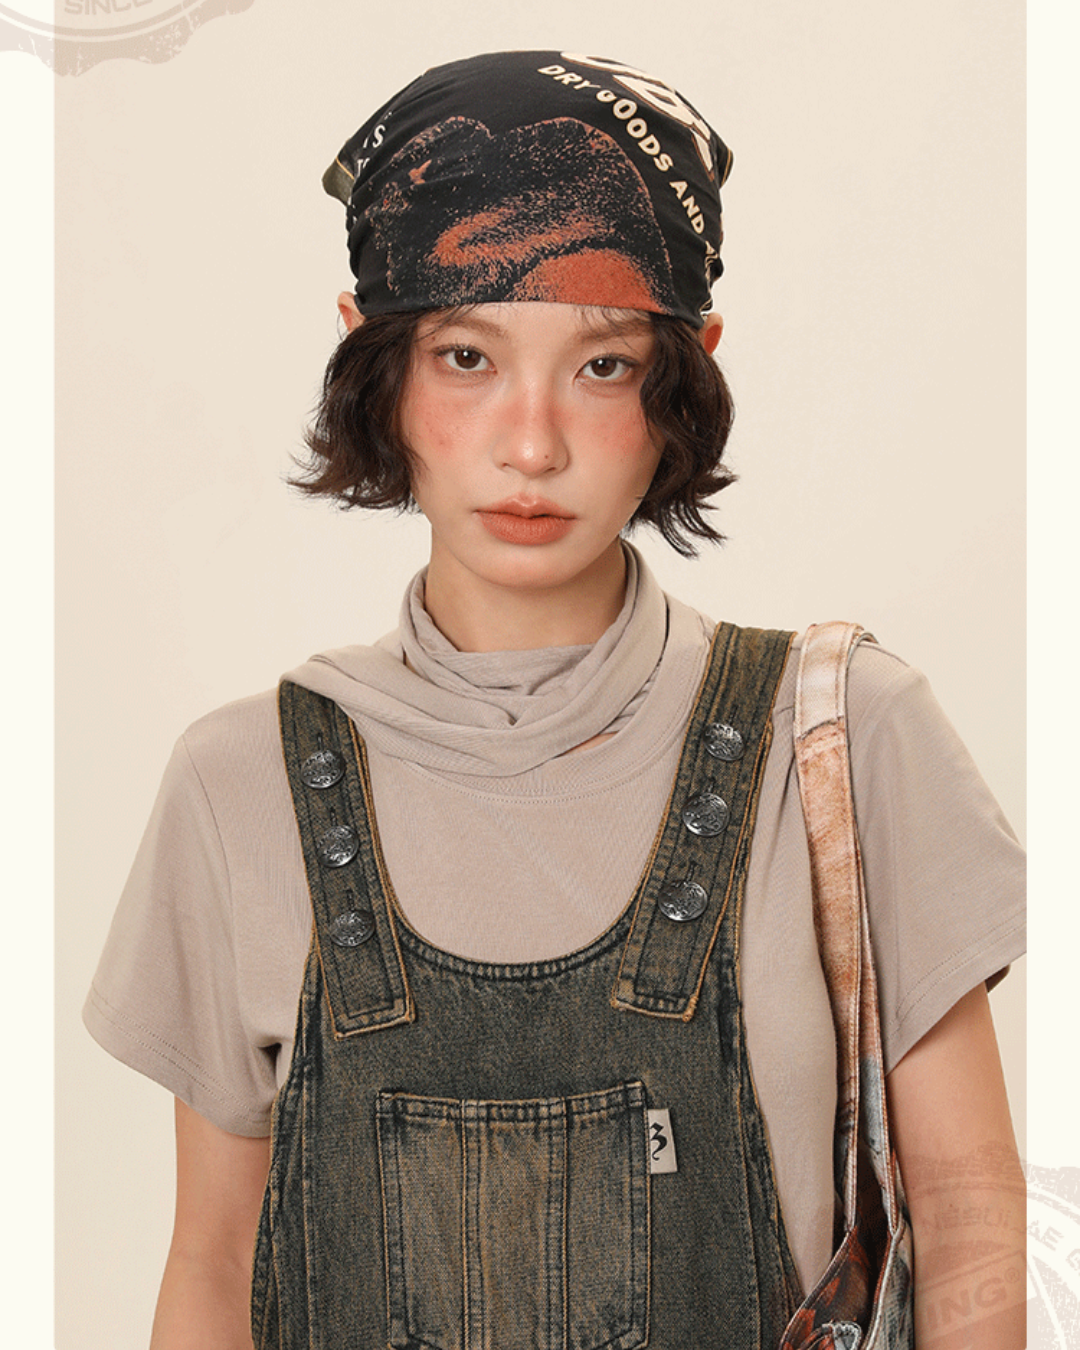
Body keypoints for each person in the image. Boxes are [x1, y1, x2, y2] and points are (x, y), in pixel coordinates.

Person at [83, 50, 1025, 1350]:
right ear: (375, 361)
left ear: (686, 373)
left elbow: (973, 1221)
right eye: (467, 355)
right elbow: (210, 1267)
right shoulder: (238, 782)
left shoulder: (840, 738)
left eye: (602, 366)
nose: (531, 442)